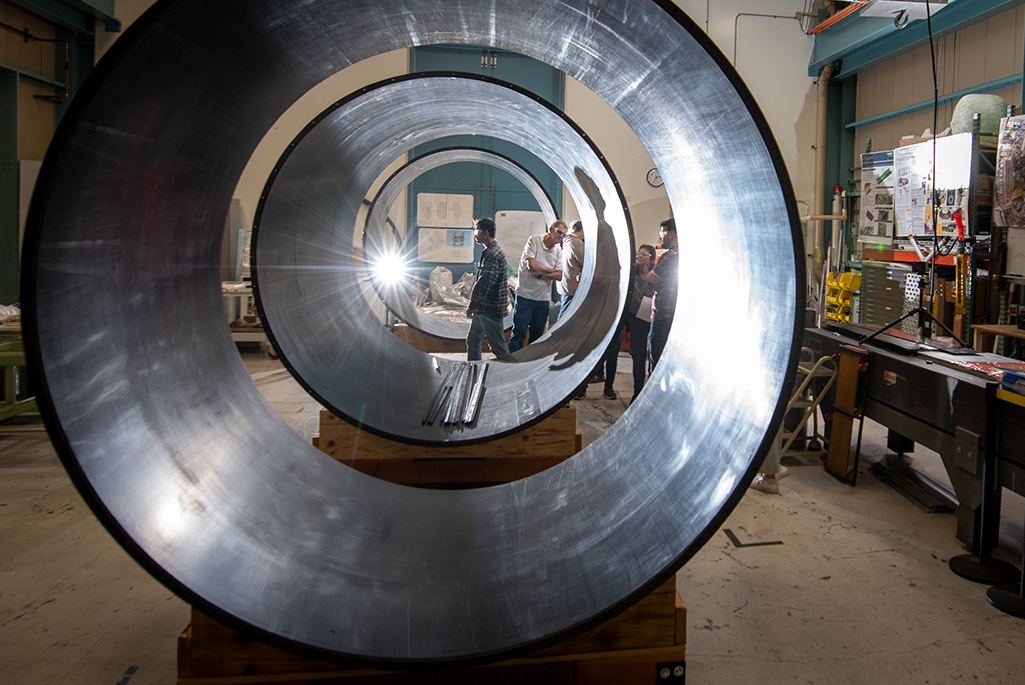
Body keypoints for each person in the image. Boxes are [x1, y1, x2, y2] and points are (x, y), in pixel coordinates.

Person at [509, 221, 564, 353]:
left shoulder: (558, 250)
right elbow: (531, 266)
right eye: (559, 232)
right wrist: (551, 271)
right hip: (525, 296)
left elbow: (560, 275)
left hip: (543, 299)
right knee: (519, 333)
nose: (561, 236)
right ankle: (513, 361)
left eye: (564, 235)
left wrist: (540, 274)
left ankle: (531, 361)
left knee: (537, 335)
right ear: (551, 229)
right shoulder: (534, 241)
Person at [465, 217, 510, 361]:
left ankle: (510, 370)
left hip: (490, 309)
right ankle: (473, 367)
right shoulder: (490, 251)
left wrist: (472, 305)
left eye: (476, 231)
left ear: (485, 233)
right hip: (483, 309)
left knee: (498, 348)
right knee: (473, 341)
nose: (475, 235)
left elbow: (484, 283)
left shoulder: (492, 254)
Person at [645, 218, 679, 369]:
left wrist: (647, 274)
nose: (660, 238)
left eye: (662, 234)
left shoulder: (669, 256)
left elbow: (651, 280)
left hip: (663, 317)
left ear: (671, 234)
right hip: (678, 318)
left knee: (657, 363)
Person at [626, 244, 656, 402]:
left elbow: (654, 293)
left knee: (653, 354)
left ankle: (651, 392)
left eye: (644, 255)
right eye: (639, 254)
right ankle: (637, 392)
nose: (640, 256)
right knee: (638, 357)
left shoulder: (655, 274)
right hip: (635, 318)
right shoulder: (632, 273)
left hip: (652, 318)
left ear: (651, 259)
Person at [558, 221, 584, 320]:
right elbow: (586, 262)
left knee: (565, 313)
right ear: (582, 231)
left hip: (565, 285)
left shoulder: (566, 241)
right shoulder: (576, 242)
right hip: (572, 286)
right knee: (565, 317)